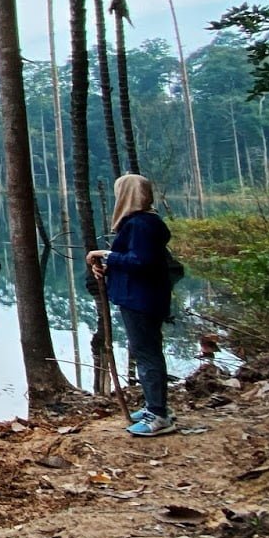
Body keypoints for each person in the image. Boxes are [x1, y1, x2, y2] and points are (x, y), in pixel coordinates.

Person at [87, 173, 176, 437]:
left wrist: (107, 254)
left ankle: (158, 415)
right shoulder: (143, 223)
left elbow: (141, 262)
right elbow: (137, 261)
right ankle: (154, 406)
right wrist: (108, 267)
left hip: (141, 299)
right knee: (146, 351)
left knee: (147, 353)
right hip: (141, 296)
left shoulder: (141, 225)